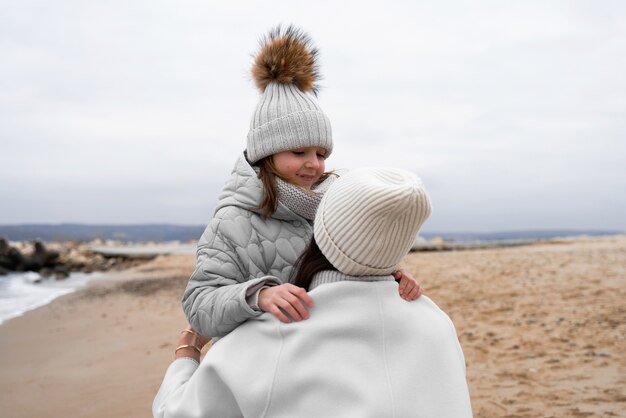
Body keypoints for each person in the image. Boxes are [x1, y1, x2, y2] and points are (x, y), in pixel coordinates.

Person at [154, 167, 473, 418]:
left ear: (321, 228)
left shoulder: (271, 338)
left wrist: (188, 349)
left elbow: (173, 413)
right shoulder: (437, 325)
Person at [183, 25, 422, 342]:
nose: (315, 164)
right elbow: (199, 305)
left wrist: (392, 277)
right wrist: (258, 296)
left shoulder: (340, 205)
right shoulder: (232, 221)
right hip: (262, 371)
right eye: (299, 152)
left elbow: (357, 270)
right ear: (266, 153)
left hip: (331, 360)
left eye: (321, 153)